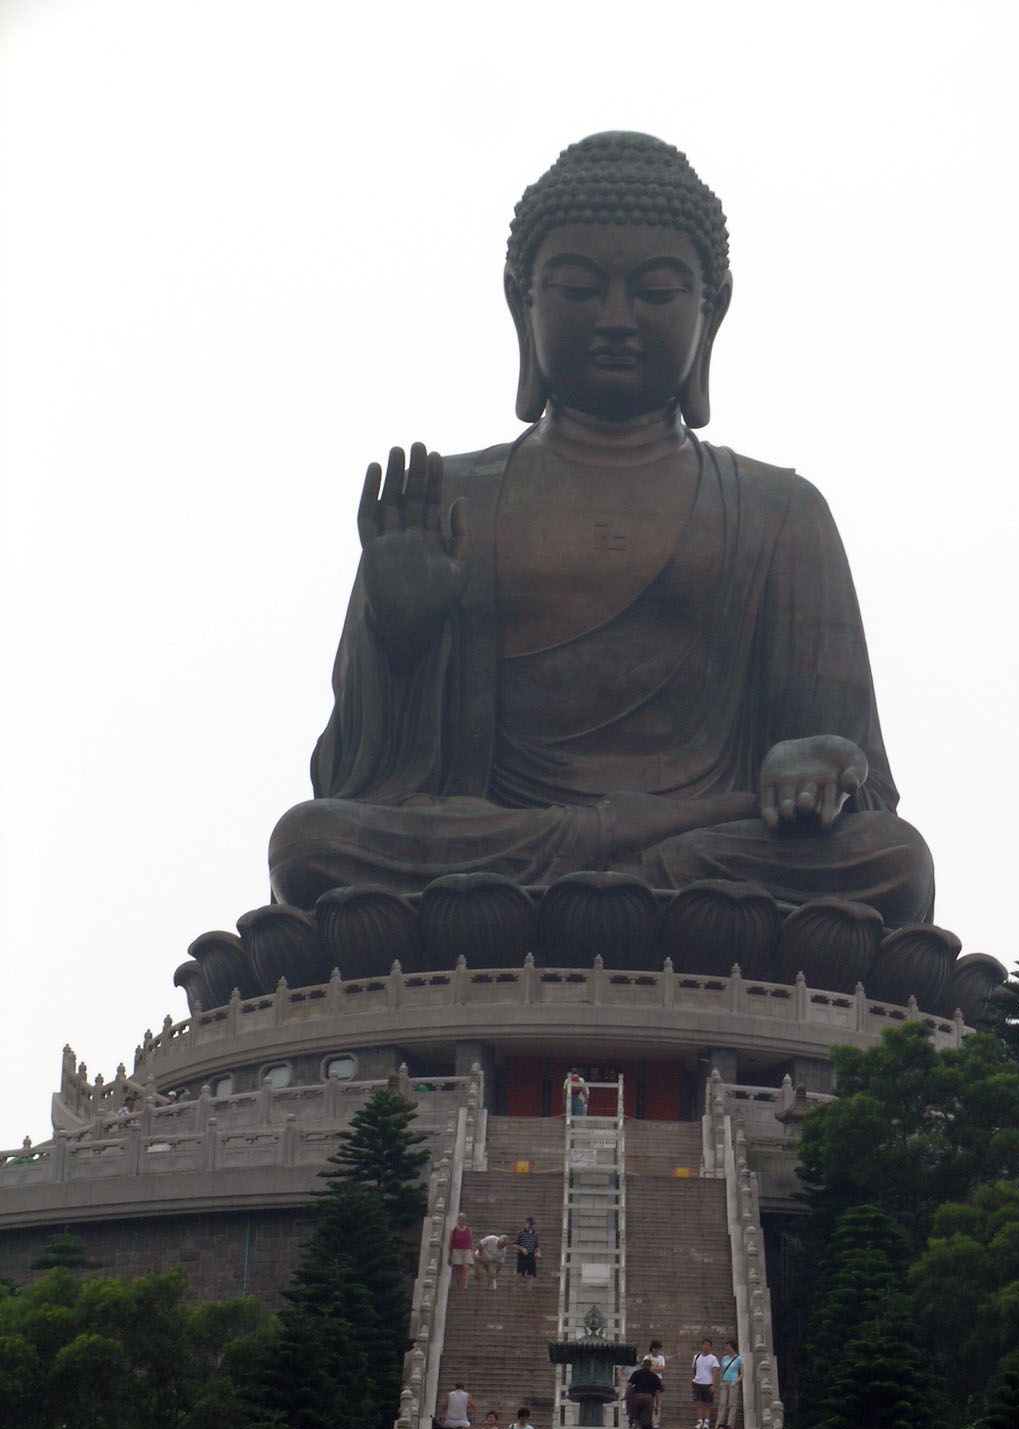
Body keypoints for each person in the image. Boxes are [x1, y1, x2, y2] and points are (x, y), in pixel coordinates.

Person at [269, 133, 935, 932]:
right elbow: (356, 787)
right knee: (310, 845)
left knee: (891, 860)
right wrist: (399, 639)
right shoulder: (446, 501)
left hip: (702, 851)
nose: (617, 319)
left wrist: (819, 763)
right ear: (524, 306)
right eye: (579, 289)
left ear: (709, 312)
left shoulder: (779, 511)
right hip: (501, 850)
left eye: (656, 291)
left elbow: (854, 781)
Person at [625, 1355, 663, 1429]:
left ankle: (637, 1427)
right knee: (647, 1417)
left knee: (636, 1414)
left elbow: (629, 1385)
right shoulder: (654, 1376)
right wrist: (657, 1405)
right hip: (648, 1398)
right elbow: (657, 1392)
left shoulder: (636, 1373)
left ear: (642, 1366)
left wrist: (625, 1396)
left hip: (637, 1396)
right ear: (650, 1367)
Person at [692, 1338, 721, 1429]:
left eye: (708, 1345)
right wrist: (693, 1379)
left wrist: (713, 1384)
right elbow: (694, 1369)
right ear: (701, 1346)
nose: (705, 1347)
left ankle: (706, 1422)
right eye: (704, 1344)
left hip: (708, 1383)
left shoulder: (713, 1358)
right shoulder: (696, 1357)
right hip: (697, 1382)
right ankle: (700, 1421)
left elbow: (715, 1372)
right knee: (699, 1403)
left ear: (710, 1347)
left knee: (707, 1404)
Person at [716, 1338, 743, 1429]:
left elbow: (742, 1373)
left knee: (732, 1405)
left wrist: (736, 1381)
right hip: (724, 1382)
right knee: (722, 1403)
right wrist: (720, 1381)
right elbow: (721, 1370)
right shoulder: (724, 1358)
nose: (727, 1348)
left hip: (733, 1383)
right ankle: (719, 1424)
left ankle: (730, 1426)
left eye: (728, 1346)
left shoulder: (738, 1359)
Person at [448, 1212, 473, 1290]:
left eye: (463, 1219)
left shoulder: (468, 1230)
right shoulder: (454, 1230)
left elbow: (470, 1241)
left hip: (466, 1250)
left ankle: (465, 1285)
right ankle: (458, 1285)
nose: (461, 1221)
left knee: (466, 1267)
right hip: (456, 1250)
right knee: (458, 1269)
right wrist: (450, 1255)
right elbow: (451, 1242)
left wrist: (472, 1252)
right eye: (460, 1219)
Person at [513, 1217, 540, 1288]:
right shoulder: (520, 1233)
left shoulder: (535, 1234)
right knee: (520, 1273)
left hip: (531, 1255)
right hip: (522, 1255)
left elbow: (536, 1246)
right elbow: (515, 1245)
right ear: (526, 1224)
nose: (531, 1226)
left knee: (531, 1274)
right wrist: (522, 1249)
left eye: (532, 1225)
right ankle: (515, 1288)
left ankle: (529, 1290)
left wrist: (538, 1252)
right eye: (530, 1224)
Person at [647, 1339, 667, 1426]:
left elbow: (662, 1369)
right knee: (648, 1401)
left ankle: (656, 1421)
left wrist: (652, 1369)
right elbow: (647, 1369)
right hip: (648, 1381)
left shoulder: (661, 1358)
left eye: (658, 1349)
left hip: (658, 1381)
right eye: (655, 1348)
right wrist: (656, 1369)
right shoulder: (647, 1357)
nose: (657, 1351)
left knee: (657, 1402)